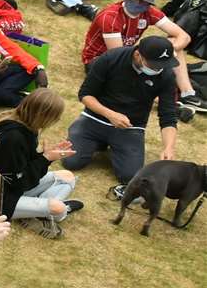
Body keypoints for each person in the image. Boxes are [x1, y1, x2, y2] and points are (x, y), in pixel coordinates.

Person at [65, 37, 182, 199]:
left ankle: (109, 145)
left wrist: (169, 147)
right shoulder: (110, 58)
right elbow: (85, 95)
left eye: (163, 65)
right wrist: (110, 114)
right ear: (138, 55)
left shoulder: (167, 76)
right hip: (95, 118)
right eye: (155, 65)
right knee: (71, 162)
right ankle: (93, 139)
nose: (159, 69)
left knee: (130, 176)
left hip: (131, 127)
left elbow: (168, 116)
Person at [82, 0, 203, 113]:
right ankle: (167, 102)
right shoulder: (110, 17)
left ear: (149, 4)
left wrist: (168, 52)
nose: (138, 3)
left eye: (142, 1)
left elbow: (184, 37)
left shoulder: (149, 12)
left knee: (171, 45)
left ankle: (188, 94)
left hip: (128, 54)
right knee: (127, 76)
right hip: (100, 60)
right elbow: (118, 56)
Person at [0, 89, 81, 237]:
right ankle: (49, 213)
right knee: (59, 208)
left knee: (67, 176)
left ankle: (32, 213)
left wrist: (45, 156)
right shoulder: (13, 138)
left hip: (9, 189)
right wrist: (45, 159)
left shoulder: (25, 129)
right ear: (43, 116)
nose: (58, 120)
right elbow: (20, 182)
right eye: (56, 117)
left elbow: (21, 166)